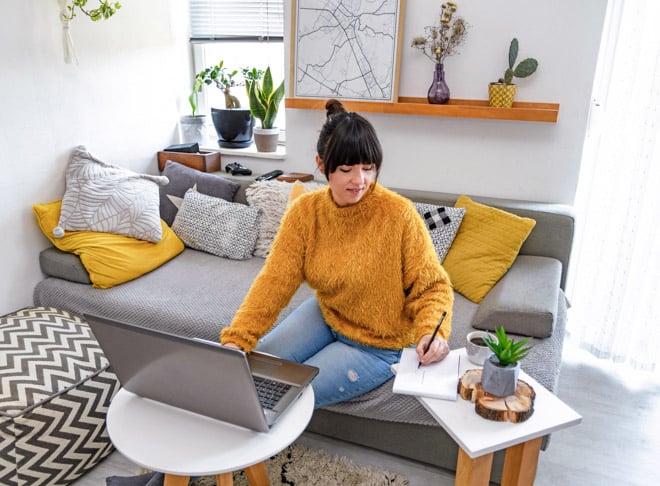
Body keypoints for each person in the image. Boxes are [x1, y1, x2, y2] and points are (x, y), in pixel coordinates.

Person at [221, 99, 454, 408]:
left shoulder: (398, 215)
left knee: (284, 397)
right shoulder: (304, 213)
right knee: (249, 370)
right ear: (321, 165)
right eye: (346, 169)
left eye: (368, 169)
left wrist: (431, 333)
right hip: (327, 314)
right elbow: (274, 281)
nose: (360, 181)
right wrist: (238, 337)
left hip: (377, 345)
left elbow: (433, 287)